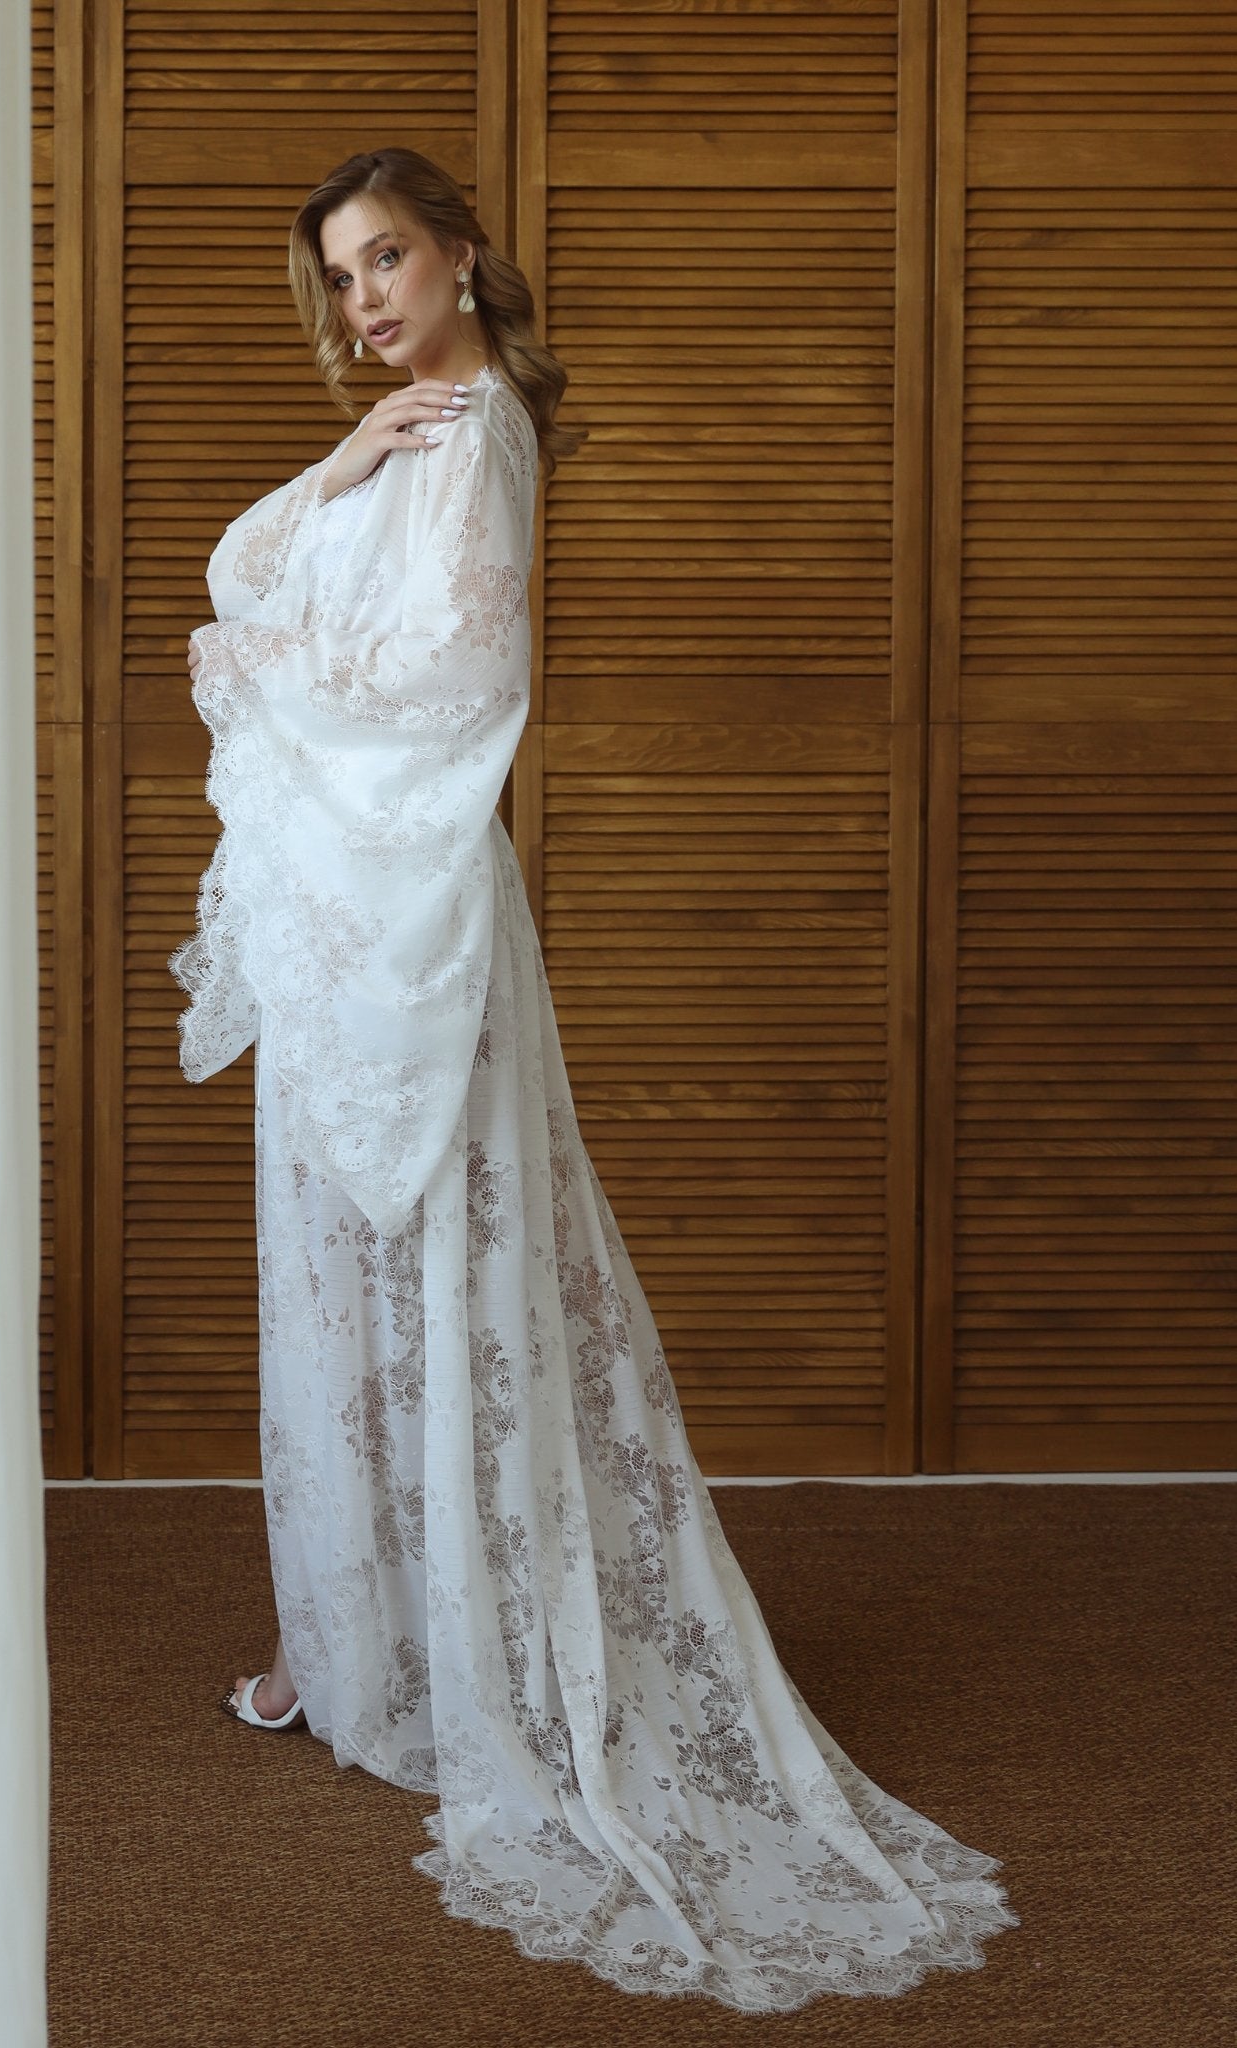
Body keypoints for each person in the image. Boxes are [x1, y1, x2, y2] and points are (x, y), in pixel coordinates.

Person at [170, 146, 1019, 2010]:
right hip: (340, 921)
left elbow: (451, 674)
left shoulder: (476, 439)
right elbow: (234, 568)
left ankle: (460, 1647)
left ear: (461, 251)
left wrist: (268, 653)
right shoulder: (404, 431)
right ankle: (352, 1631)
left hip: (409, 918)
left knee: (437, 1253)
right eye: (338, 275)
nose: (363, 297)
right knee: (334, 1266)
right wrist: (326, 475)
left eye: (386, 256)